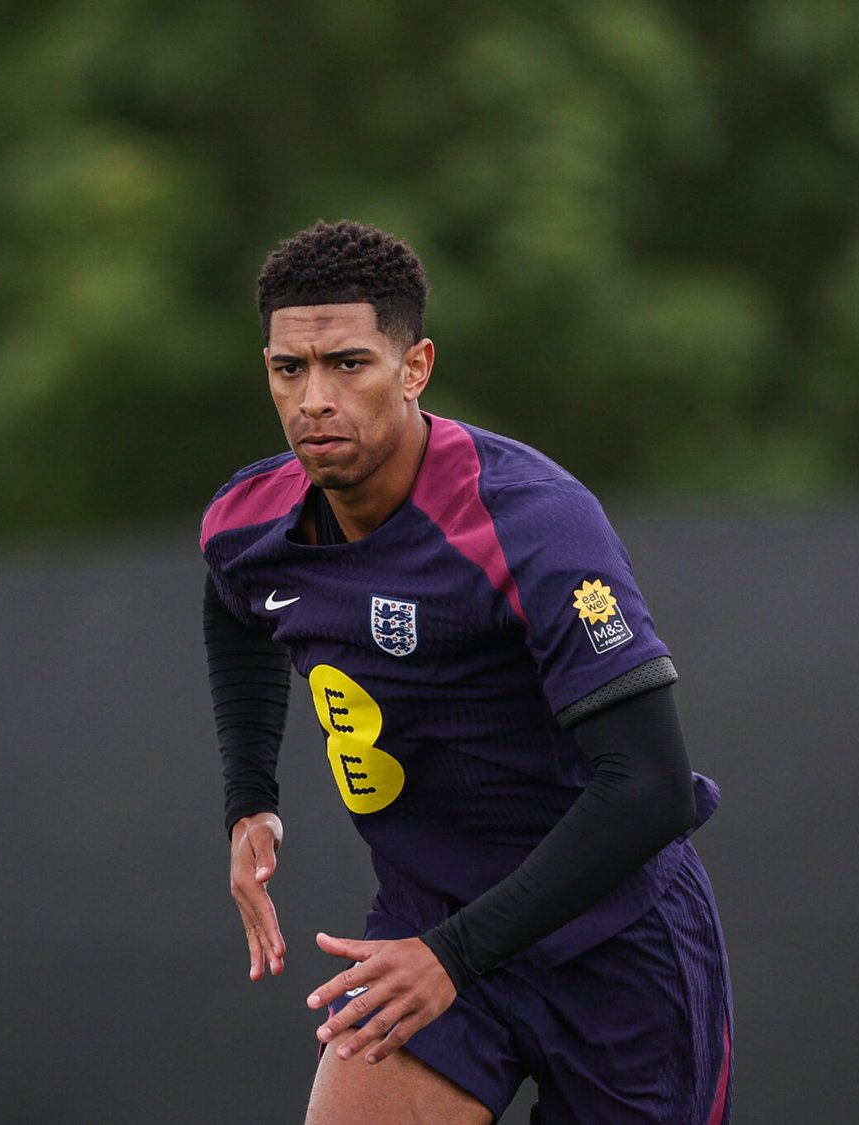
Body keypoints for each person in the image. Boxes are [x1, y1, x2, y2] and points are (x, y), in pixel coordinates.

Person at [200, 220, 732, 1123]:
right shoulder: (249, 518)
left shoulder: (533, 522)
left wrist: (455, 953)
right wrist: (251, 791)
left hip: (612, 945)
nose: (314, 399)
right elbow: (234, 600)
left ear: (415, 368)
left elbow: (651, 790)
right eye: (289, 369)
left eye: (349, 364)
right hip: (427, 920)